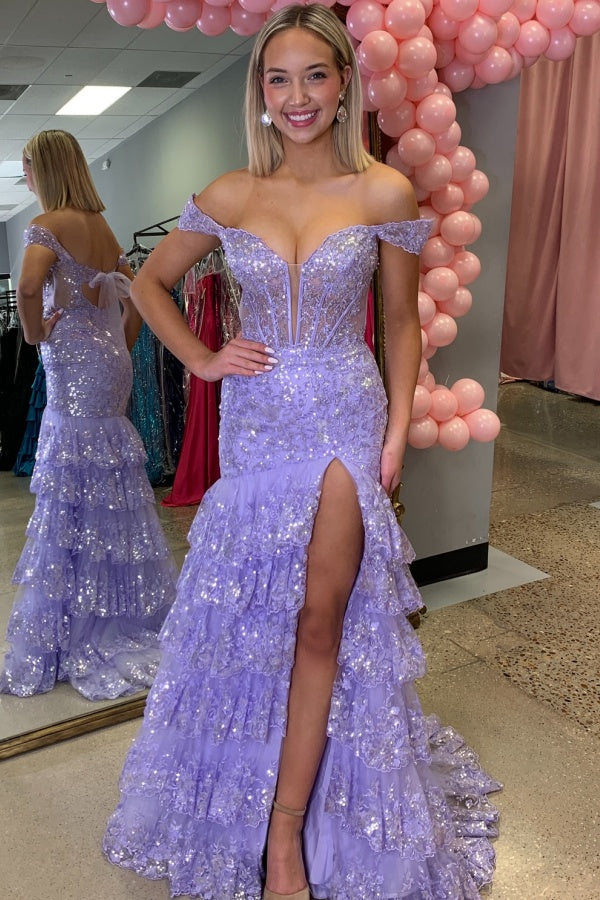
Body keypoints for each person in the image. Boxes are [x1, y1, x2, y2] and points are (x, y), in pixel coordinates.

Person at [104, 6, 499, 898]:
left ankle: (284, 835)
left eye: (314, 75)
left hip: (341, 420)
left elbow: (402, 324)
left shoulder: (383, 192)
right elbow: (150, 282)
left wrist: (394, 436)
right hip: (255, 427)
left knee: (321, 623)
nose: (297, 96)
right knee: (253, 619)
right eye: (278, 78)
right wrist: (202, 358)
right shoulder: (230, 193)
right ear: (260, 91)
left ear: (344, 83)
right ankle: (247, 786)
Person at [0, 130, 177, 701]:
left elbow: (29, 287)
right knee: (106, 482)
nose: (26, 177)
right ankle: (115, 608)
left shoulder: (46, 225)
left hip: (74, 365)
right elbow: (137, 295)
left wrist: (34, 335)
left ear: (45, 169)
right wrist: (121, 344)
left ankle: (81, 618)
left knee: (73, 483)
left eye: (28, 167)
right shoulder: (101, 226)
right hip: (109, 363)